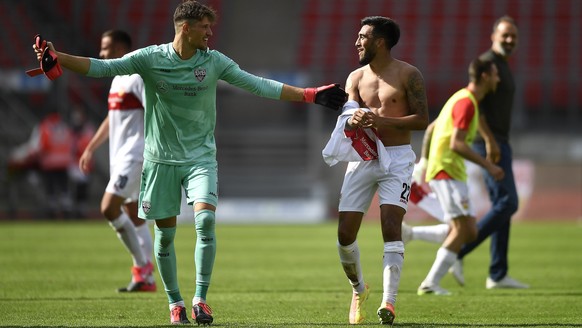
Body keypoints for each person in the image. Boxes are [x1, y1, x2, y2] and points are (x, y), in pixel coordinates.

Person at [32, 1, 346, 325]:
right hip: (160, 161)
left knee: (205, 223)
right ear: (186, 28)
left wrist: (310, 94)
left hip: (200, 158)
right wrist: (60, 59)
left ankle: (200, 299)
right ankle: (175, 303)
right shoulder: (151, 58)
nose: (211, 33)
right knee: (165, 237)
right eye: (205, 27)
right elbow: (101, 68)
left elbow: (258, 84)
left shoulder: (214, 62)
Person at [335, 16, 429, 326]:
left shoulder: (408, 74)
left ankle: (389, 303)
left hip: (399, 158)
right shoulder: (355, 77)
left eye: (363, 36)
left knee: (390, 224)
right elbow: (348, 115)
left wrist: (382, 121)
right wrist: (352, 120)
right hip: (363, 157)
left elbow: (421, 120)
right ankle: (359, 289)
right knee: (344, 234)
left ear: (380, 42)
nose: (357, 42)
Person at [454, 16, 529, 290]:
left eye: (513, 36)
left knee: (504, 205)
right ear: (493, 36)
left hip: (499, 140)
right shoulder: (488, 63)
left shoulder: (503, 64)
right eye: (505, 35)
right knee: (508, 203)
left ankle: (497, 273)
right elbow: (476, 104)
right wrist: (489, 141)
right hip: (490, 142)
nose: (510, 40)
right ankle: (456, 252)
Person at [416, 58, 503, 296]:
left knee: (469, 230)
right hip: (447, 170)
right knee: (463, 230)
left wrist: (424, 160)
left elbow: (433, 128)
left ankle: (410, 234)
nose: (498, 78)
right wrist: (489, 166)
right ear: (485, 76)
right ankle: (430, 283)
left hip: (447, 169)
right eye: (495, 74)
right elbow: (457, 144)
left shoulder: (459, 98)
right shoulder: (467, 103)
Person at [78, 30, 156, 292]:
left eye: (106, 48)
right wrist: (90, 147)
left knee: (108, 207)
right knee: (132, 214)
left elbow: (155, 112)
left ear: (122, 48)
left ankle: (142, 266)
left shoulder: (137, 77)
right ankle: (146, 280)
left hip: (136, 155)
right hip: (120, 155)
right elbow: (112, 119)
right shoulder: (117, 79)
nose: (101, 54)